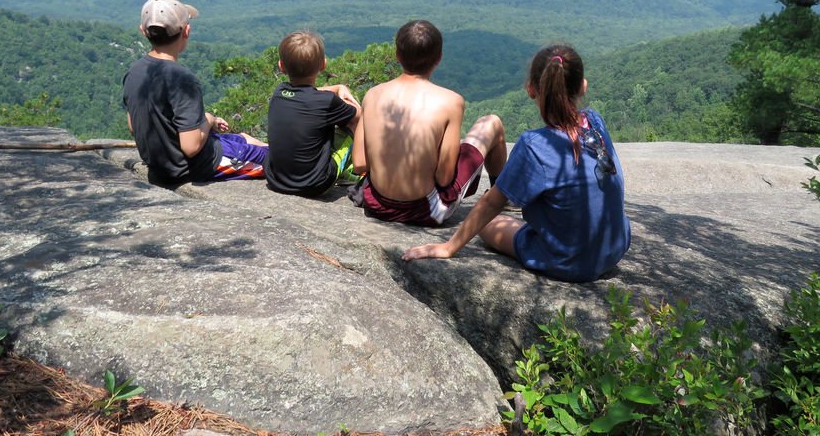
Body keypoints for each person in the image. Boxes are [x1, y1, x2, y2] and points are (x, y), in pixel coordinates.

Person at [402, 43, 631, 282]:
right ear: (583, 87)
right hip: (614, 248)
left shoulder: (535, 145)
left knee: (490, 225)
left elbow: (491, 204)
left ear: (531, 90)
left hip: (566, 261)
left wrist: (449, 247)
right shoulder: (595, 122)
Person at [352, 19, 507, 226]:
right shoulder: (451, 101)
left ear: (397, 56)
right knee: (492, 123)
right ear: (439, 58)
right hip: (426, 210)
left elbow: (360, 164)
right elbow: (444, 178)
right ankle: (501, 196)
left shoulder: (372, 95)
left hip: (377, 204)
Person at [123, 0, 269, 185]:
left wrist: (207, 121)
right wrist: (208, 120)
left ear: (143, 31)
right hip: (192, 167)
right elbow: (191, 147)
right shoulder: (182, 78)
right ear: (187, 31)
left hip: (161, 164)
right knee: (277, 159)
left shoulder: (133, 72)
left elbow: (134, 127)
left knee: (245, 138)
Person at [265, 30, 362, 196]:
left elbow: (305, 94)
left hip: (275, 179)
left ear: (281, 66)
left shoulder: (279, 91)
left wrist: (338, 88)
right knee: (353, 122)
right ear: (323, 65)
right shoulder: (327, 101)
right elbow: (360, 114)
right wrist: (342, 93)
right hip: (316, 184)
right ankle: (358, 170)